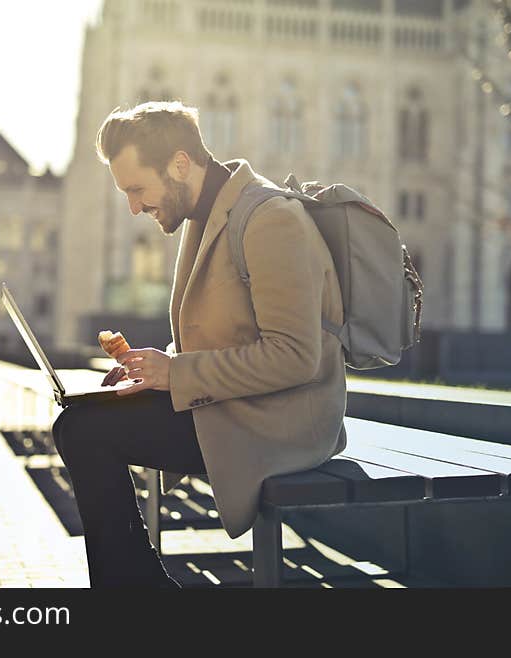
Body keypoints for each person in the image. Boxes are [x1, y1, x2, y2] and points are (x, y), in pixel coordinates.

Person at [51, 101, 347, 588]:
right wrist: (154, 366)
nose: (133, 206)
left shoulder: (271, 219)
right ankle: (136, 586)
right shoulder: (207, 217)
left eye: (137, 189)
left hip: (283, 422)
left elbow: (295, 356)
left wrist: (176, 375)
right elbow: (225, 333)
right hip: (239, 406)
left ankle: (133, 591)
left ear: (180, 165)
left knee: (85, 432)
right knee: (79, 424)